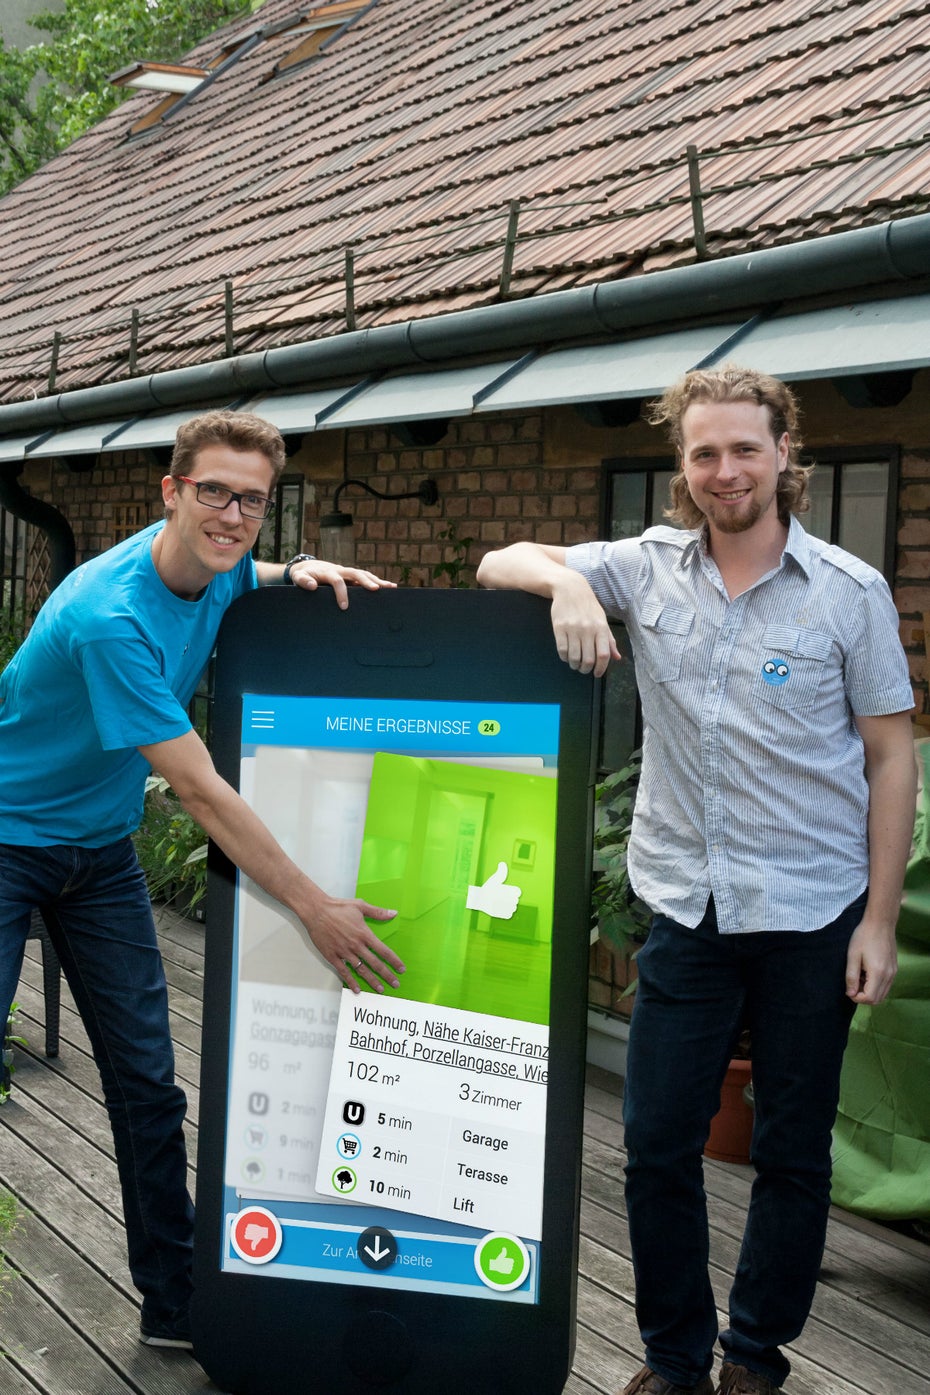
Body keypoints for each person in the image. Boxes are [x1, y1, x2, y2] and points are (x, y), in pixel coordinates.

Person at [476, 366, 916, 1395]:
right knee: (656, 1142)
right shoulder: (646, 567)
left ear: (784, 456)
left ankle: (754, 1355)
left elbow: (892, 757)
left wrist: (881, 922)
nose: (726, 471)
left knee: (794, 1150)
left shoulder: (851, 595)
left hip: (814, 910)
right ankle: (674, 1360)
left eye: (745, 449)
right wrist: (571, 583)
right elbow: (503, 559)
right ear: (684, 465)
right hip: (686, 906)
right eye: (705, 452)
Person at [0, 410, 404, 1350]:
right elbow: (198, 790)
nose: (231, 514)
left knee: (149, 1083)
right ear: (171, 492)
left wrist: (295, 570)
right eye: (212, 491)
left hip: (96, 854)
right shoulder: (111, 616)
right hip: (9, 840)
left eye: (251, 501)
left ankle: (174, 1305)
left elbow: (236, 579)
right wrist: (315, 908)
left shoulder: (217, 572)